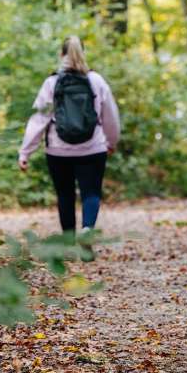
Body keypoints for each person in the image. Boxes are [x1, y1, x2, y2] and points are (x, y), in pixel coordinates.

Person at [18, 36, 120, 246]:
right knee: (91, 192)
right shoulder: (96, 81)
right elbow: (110, 115)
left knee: (65, 195)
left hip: (58, 149)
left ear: (61, 55)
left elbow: (39, 119)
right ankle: (87, 230)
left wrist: (25, 152)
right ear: (84, 53)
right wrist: (111, 141)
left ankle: (68, 243)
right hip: (93, 148)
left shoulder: (51, 83)